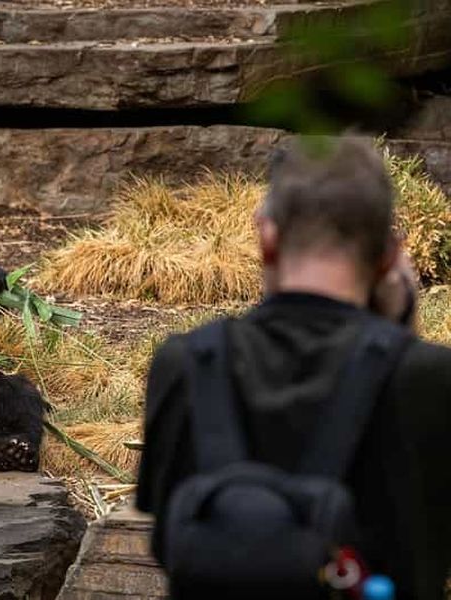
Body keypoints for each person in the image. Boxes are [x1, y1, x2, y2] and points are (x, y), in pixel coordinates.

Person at [137, 136, 451, 600]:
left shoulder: (184, 362)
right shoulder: (426, 376)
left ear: (266, 237)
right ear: (389, 255)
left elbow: (167, 543)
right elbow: (430, 556)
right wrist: (402, 330)